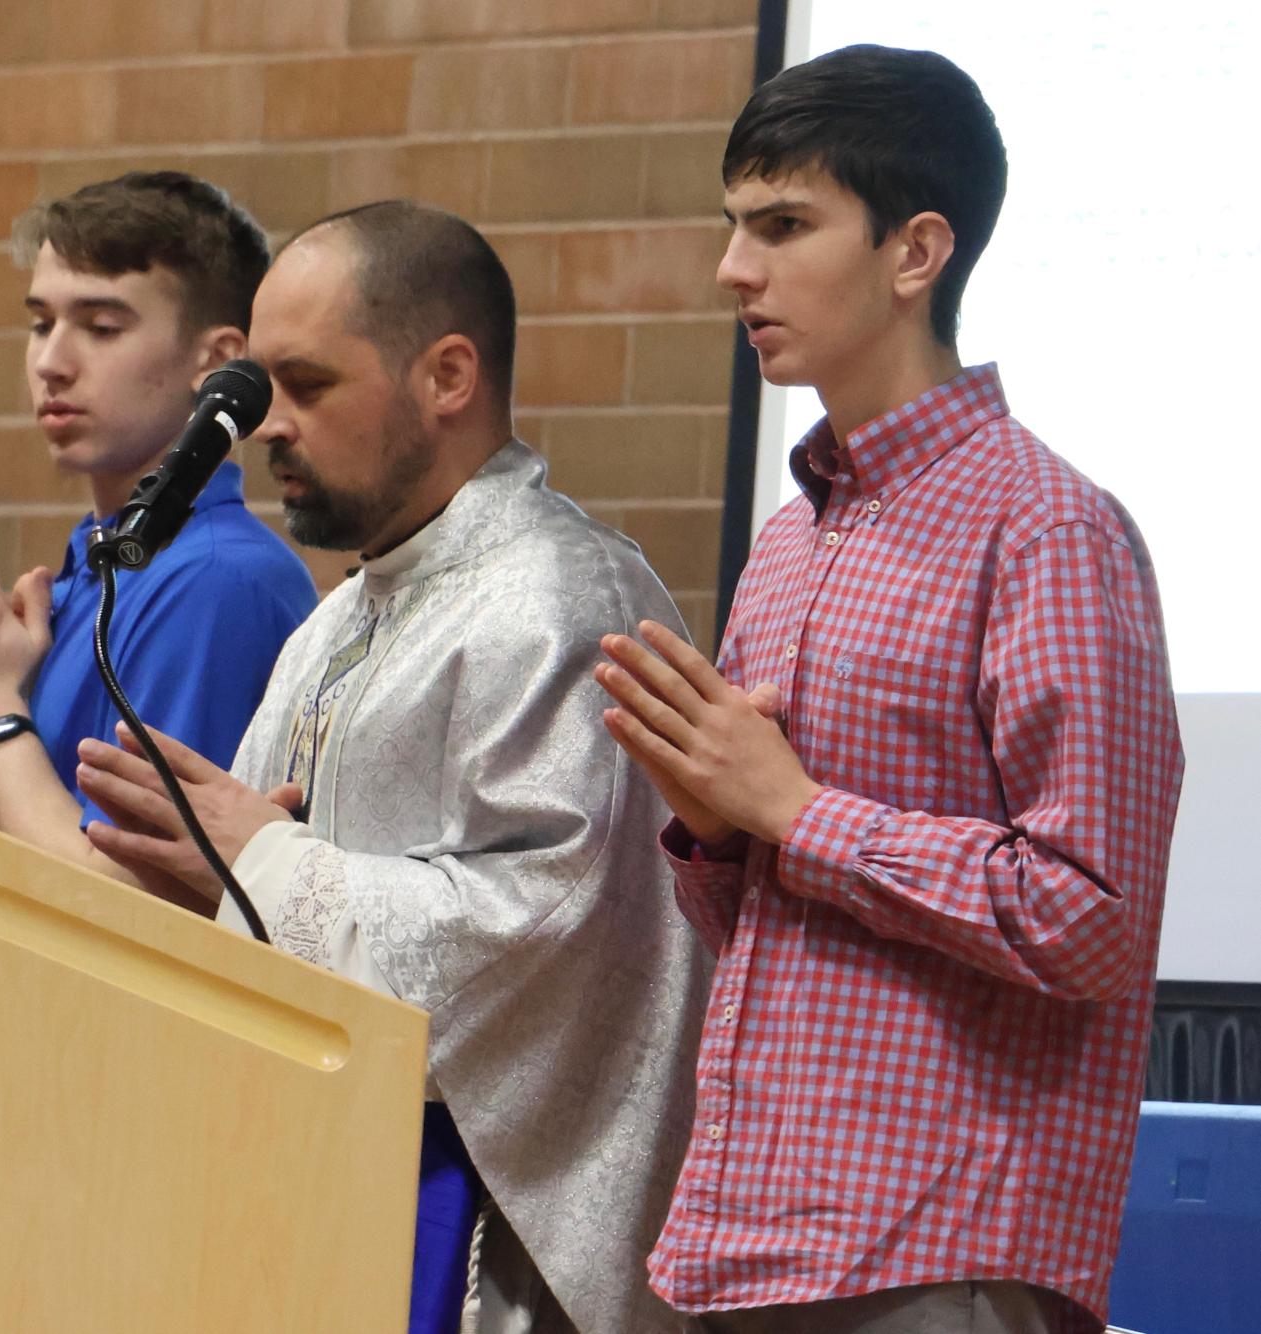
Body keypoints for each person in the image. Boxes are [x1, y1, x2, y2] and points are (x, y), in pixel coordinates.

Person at [596, 46, 1184, 1334]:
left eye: (783, 225)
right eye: (732, 226)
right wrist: (714, 822)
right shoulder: (792, 541)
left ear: (917, 252)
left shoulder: (1050, 530)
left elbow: (1089, 912)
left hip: (937, 1250)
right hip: (746, 1238)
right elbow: (760, 920)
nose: (732, 270)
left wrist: (798, 811)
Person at [75, 200, 708, 1333]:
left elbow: (539, 926)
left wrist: (260, 859)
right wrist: (214, 886)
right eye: (263, 390)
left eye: (308, 386)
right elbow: (260, 878)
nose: (269, 427)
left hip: (491, 1253)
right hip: (333, 1202)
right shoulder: (339, 622)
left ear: (448, 375)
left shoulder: (560, 604)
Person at [0, 172, 316, 906]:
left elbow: (128, 912)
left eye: (101, 327)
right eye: (40, 323)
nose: (51, 361)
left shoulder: (218, 581)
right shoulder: (98, 566)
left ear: (216, 362)